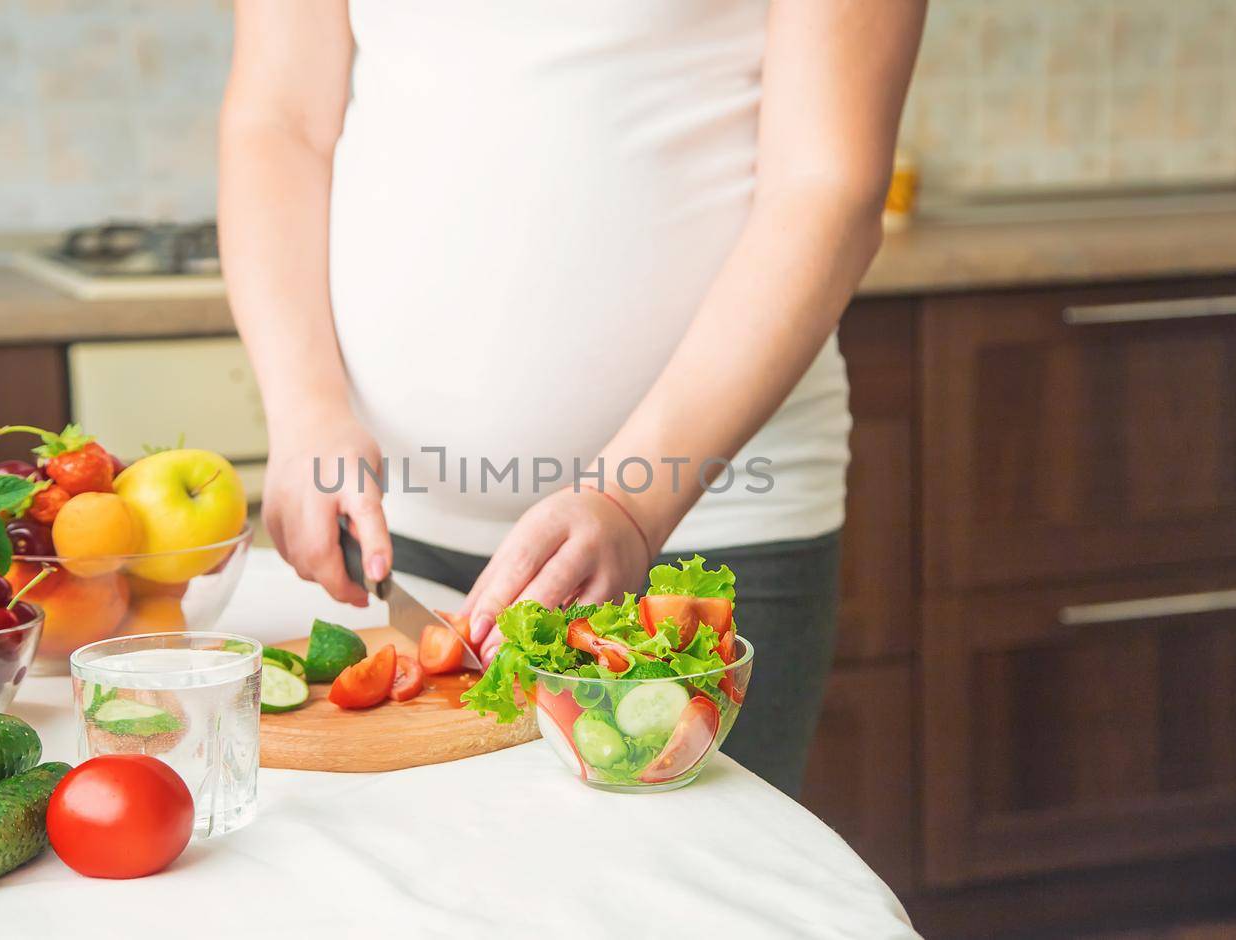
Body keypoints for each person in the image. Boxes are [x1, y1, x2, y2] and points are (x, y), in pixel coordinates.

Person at [219, 0, 924, 792]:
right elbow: (279, 124)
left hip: (707, 531)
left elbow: (829, 180)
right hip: (395, 532)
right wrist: (303, 404)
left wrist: (634, 500)